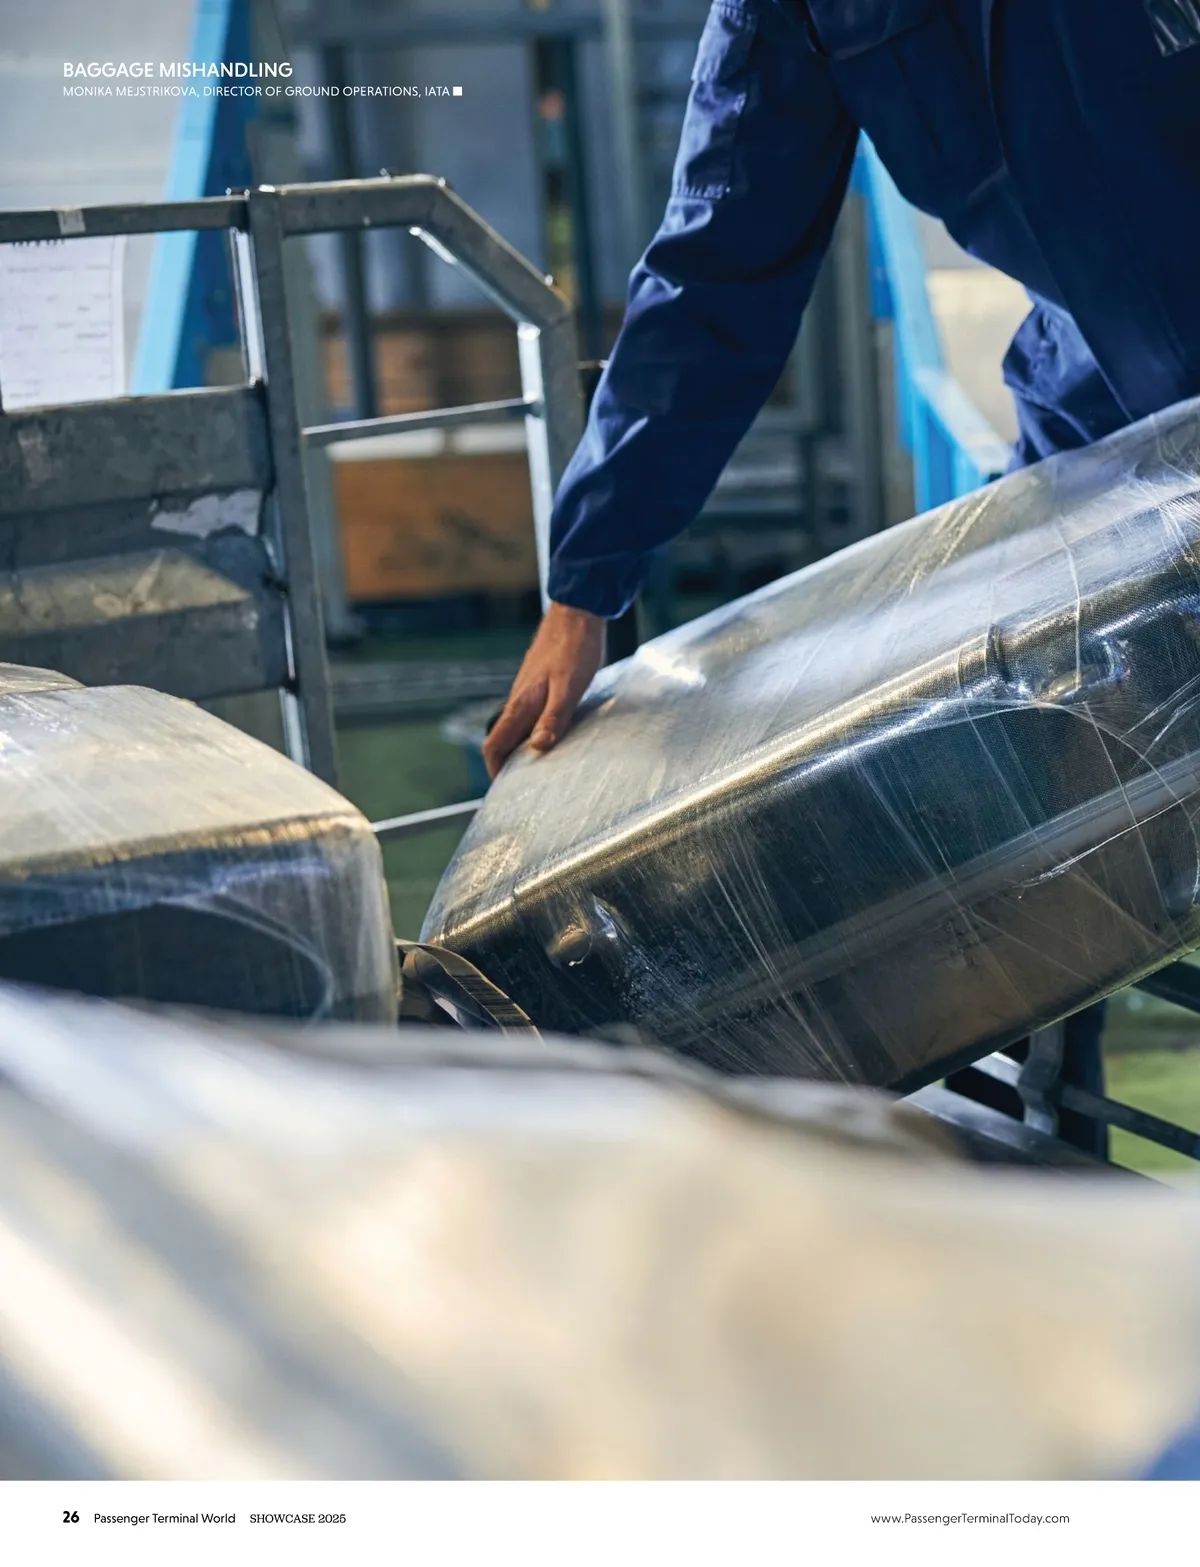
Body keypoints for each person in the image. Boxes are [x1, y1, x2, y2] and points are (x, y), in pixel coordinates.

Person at [482, 0, 1200, 1151]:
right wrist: (586, 581)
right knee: (1014, 794)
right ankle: (1037, 1180)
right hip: (1099, 411)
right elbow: (720, 259)